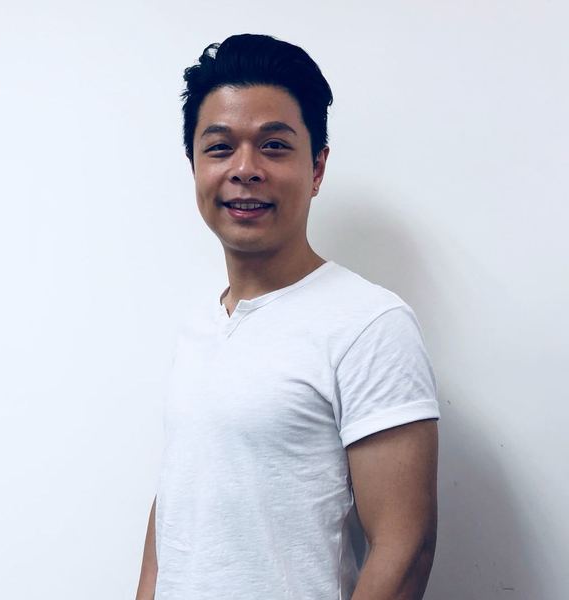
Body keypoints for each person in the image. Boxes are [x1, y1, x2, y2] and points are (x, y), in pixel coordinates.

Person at [136, 33, 440, 600]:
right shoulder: (200, 325)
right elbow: (177, 508)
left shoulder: (369, 324)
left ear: (317, 167)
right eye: (219, 147)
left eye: (274, 146)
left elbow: (405, 549)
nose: (244, 169)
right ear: (194, 165)